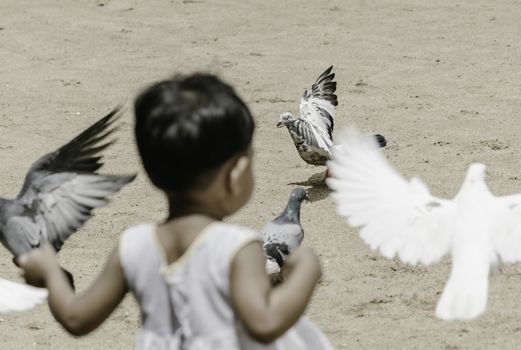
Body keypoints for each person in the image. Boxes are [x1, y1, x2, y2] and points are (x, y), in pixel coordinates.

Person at [18, 73, 331, 349]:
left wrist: (48, 270)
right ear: (235, 175)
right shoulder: (238, 248)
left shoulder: (133, 246)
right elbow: (264, 323)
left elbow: (76, 317)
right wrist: (306, 269)